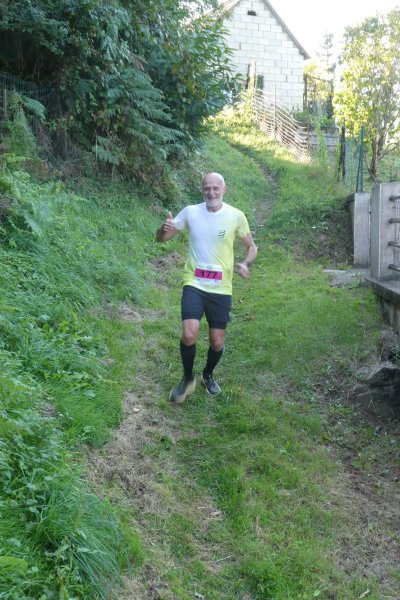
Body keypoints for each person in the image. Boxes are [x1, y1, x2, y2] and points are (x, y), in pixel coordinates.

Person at [156, 172, 257, 403]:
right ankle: (187, 378)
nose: (211, 192)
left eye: (215, 188)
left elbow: (252, 246)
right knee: (189, 333)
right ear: (202, 190)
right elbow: (161, 239)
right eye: (207, 188)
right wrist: (163, 229)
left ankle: (208, 374)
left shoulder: (236, 216)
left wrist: (246, 263)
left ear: (224, 189)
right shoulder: (191, 212)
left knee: (217, 341)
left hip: (221, 288)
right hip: (194, 282)